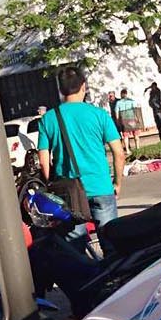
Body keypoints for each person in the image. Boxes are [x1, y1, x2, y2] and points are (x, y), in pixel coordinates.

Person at [36, 66, 126, 237]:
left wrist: (50, 185)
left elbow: (43, 160)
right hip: (100, 186)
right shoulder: (99, 115)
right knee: (112, 242)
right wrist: (117, 183)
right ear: (84, 86)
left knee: (76, 246)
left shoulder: (48, 119)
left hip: (68, 192)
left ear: (61, 90)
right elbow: (119, 153)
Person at [114, 88, 141, 153]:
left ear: (121, 94)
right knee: (136, 134)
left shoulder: (118, 103)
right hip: (132, 119)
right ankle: (137, 147)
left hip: (124, 120)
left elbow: (116, 112)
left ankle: (128, 150)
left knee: (125, 136)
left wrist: (117, 121)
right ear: (126, 94)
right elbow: (135, 110)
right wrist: (138, 118)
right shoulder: (131, 101)